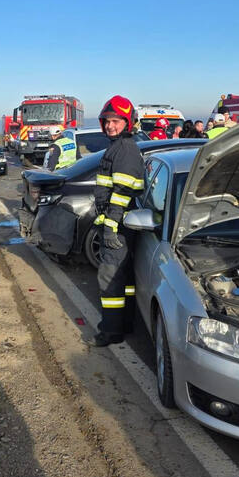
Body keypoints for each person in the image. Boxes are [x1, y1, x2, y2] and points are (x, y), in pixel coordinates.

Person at [84, 95, 145, 347]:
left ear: (127, 122)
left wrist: (109, 228)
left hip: (117, 228)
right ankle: (124, 324)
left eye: (116, 121)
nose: (110, 126)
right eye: (107, 121)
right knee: (124, 281)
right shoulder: (119, 147)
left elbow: (122, 194)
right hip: (119, 225)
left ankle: (110, 332)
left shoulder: (124, 150)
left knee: (109, 280)